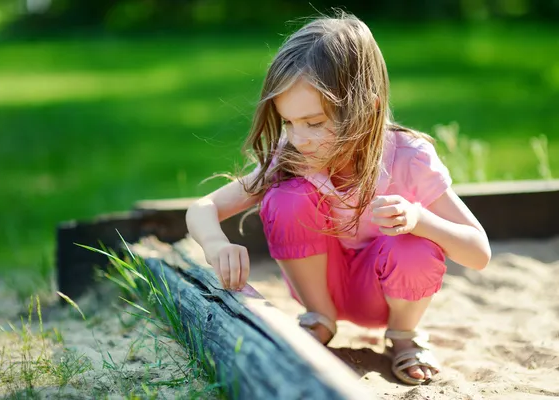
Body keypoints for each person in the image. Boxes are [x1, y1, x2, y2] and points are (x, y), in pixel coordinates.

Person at [185, 12, 491, 386]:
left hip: (387, 295)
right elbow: (203, 208)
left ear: (369, 108)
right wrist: (216, 243)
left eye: (314, 123)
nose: (299, 139)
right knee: (286, 198)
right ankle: (320, 320)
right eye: (288, 122)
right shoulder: (294, 157)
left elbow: (479, 253)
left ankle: (404, 337)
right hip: (323, 288)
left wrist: (419, 219)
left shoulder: (409, 158)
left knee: (415, 246)